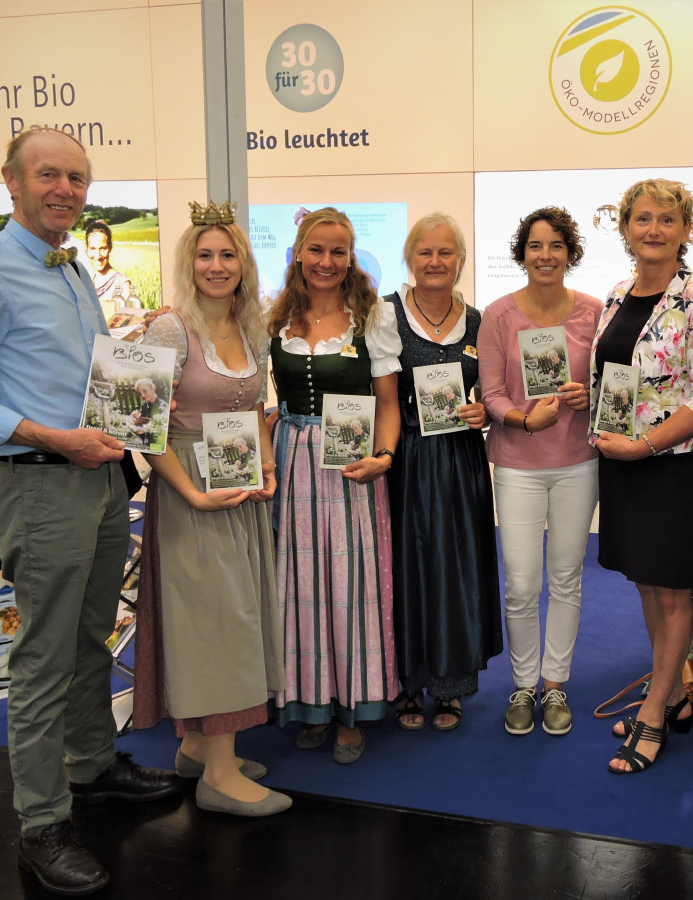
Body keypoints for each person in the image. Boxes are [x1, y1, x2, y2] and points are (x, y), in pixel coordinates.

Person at [0, 127, 179, 896]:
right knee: (43, 659)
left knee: (94, 637)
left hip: (101, 482)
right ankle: (42, 823)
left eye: (76, 176)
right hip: (41, 485)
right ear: (11, 181)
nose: (65, 188)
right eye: (48, 175)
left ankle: (93, 767)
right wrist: (51, 438)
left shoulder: (69, 269)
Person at [131, 203, 288, 816]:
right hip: (190, 494)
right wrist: (190, 491)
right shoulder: (169, 330)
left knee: (233, 611)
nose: (216, 266)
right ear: (187, 262)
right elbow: (140, 425)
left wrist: (267, 461)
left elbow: (255, 410)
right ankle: (219, 777)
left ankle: (199, 746)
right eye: (204, 255)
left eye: (227, 255)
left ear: (243, 264)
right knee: (218, 622)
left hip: (239, 489)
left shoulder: (252, 330)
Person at [589, 178, 693, 773]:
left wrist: (644, 445)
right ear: (625, 228)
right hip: (622, 459)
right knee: (647, 583)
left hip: (671, 464)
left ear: (686, 230)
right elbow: (618, 381)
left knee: (673, 589)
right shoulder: (618, 294)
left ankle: (654, 714)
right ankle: (675, 688)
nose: (653, 229)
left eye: (666, 220)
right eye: (642, 218)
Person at [269, 207, 401, 764]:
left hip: (351, 463)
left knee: (349, 583)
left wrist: (385, 456)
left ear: (351, 258)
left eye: (338, 251)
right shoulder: (270, 317)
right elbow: (256, 401)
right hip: (292, 460)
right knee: (297, 582)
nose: (327, 261)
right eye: (317, 249)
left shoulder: (372, 318)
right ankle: (308, 699)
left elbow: (390, 404)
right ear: (299, 251)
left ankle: (352, 708)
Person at [477, 207, 600, 737]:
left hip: (577, 463)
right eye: (534, 246)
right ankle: (523, 684)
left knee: (566, 579)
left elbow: (616, 384)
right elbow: (491, 393)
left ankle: (554, 686)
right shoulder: (498, 315)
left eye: (555, 246)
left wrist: (587, 394)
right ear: (521, 253)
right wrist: (524, 419)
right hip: (518, 466)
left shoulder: (596, 312)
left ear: (570, 253)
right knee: (523, 585)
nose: (545, 255)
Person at [385, 213, 502, 732]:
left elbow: (493, 393)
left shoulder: (480, 322)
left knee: (456, 571)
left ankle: (451, 686)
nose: (435, 262)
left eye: (446, 252)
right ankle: (407, 683)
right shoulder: (382, 315)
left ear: (460, 261)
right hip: (404, 459)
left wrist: (482, 411)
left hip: (459, 464)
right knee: (405, 566)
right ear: (410, 259)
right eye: (425, 252)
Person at [85, 219, 141, 319]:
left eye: (103, 248)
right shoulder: (85, 280)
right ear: (87, 249)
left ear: (110, 247)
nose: (97, 256)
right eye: (93, 249)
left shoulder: (122, 284)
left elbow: (126, 324)